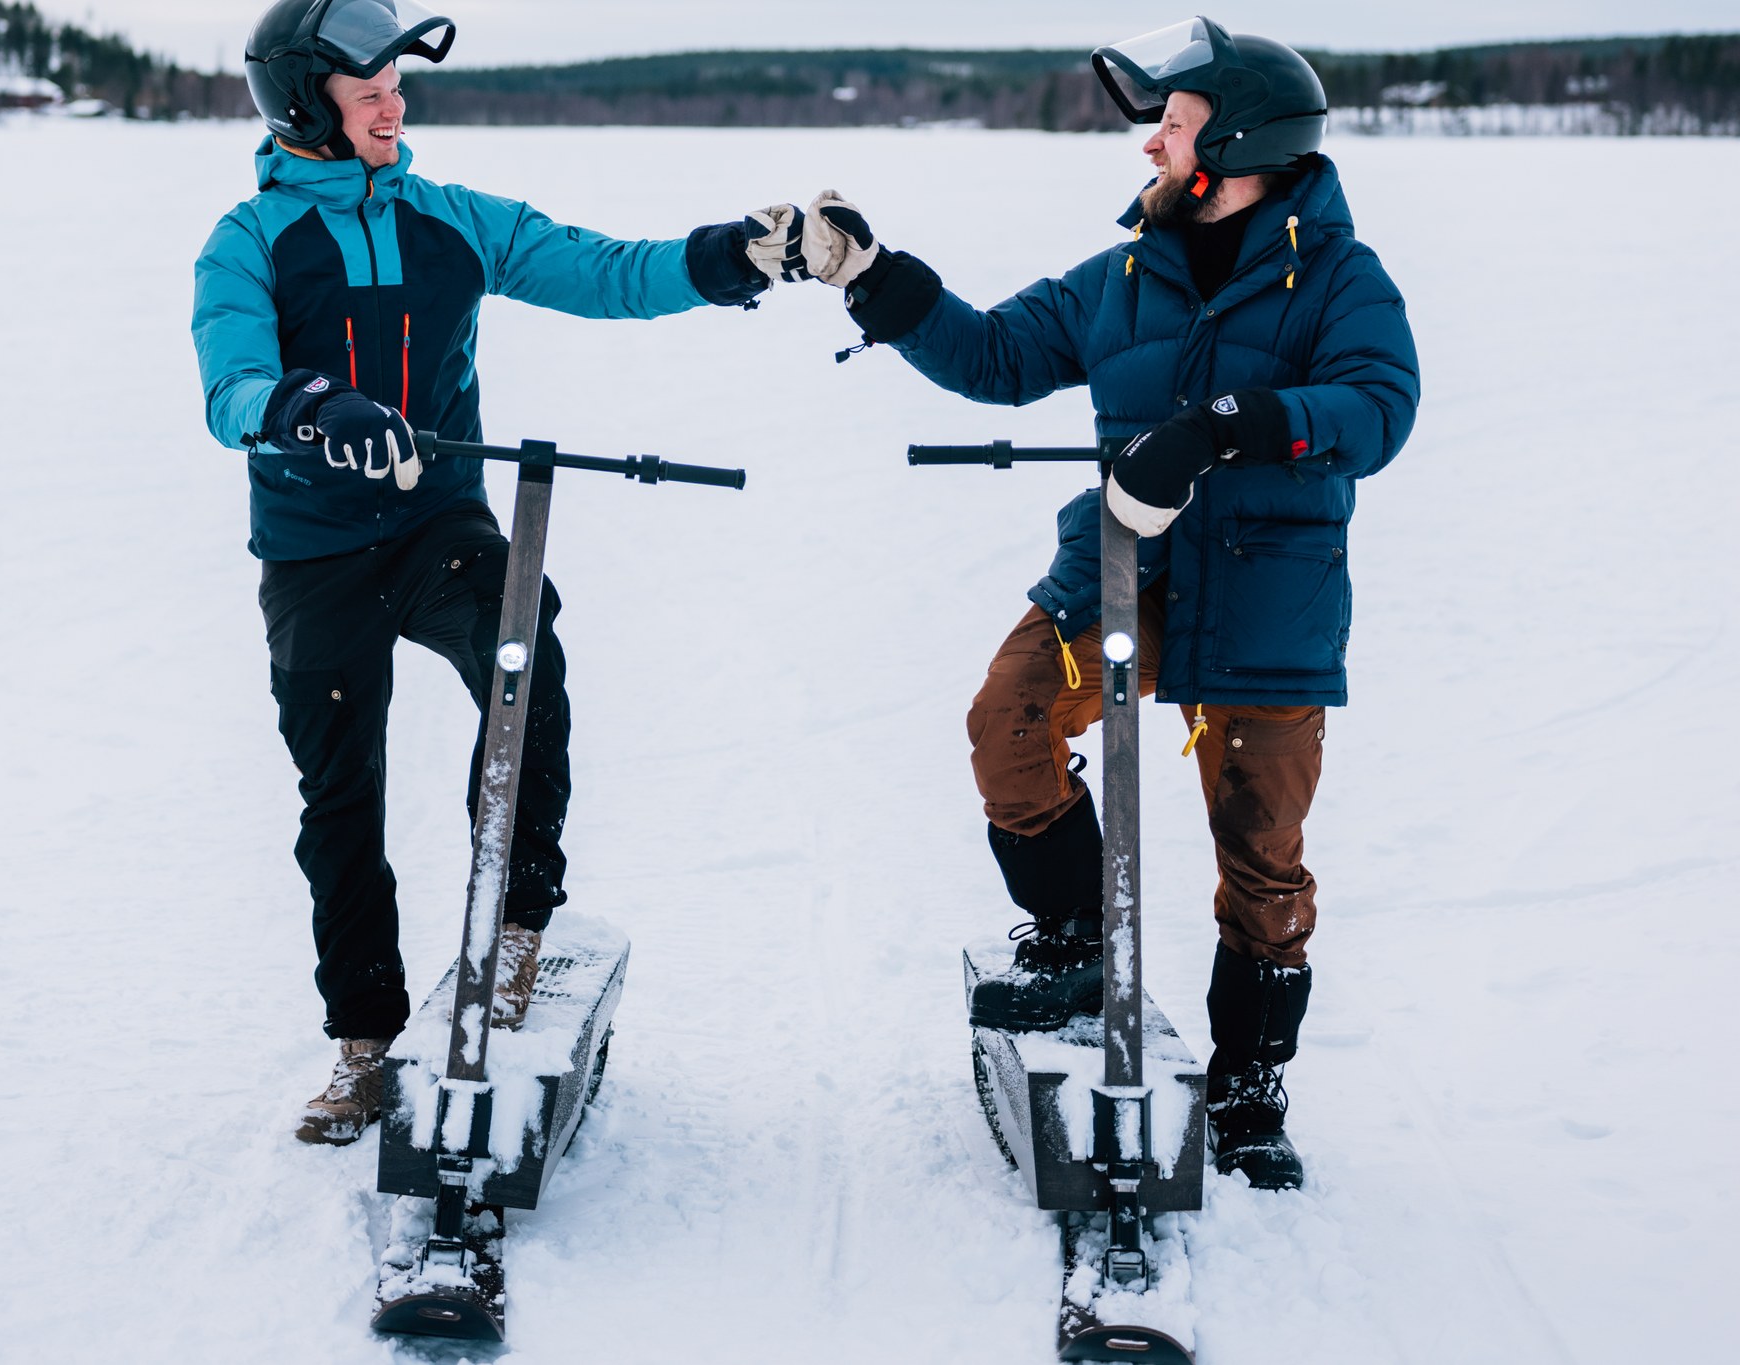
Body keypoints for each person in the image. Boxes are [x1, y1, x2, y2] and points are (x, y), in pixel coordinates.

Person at [801, 16, 1419, 1189]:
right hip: (1120, 576)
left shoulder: (1340, 278)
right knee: (1008, 722)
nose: (1150, 146)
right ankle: (1079, 940)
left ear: (1234, 144)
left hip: (1263, 603)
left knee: (1262, 858)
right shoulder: (1124, 273)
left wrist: (1224, 425)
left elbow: (1376, 408)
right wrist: (873, 280)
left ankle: (1246, 1089)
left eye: (1171, 125)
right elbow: (993, 357)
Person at [192, 0, 810, 1146]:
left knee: (522, 656)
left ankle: (513, 929)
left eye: (394, 86)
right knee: (339, 796)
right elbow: (232, 386)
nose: (394, 106)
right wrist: (311, 407)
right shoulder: (248, 241)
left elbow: (603, 271)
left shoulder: (452, 219)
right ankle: (363, 1043)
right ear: (303, 107)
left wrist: (733, 255)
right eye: (369, 91)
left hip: (437, 523)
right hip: (314, 551)